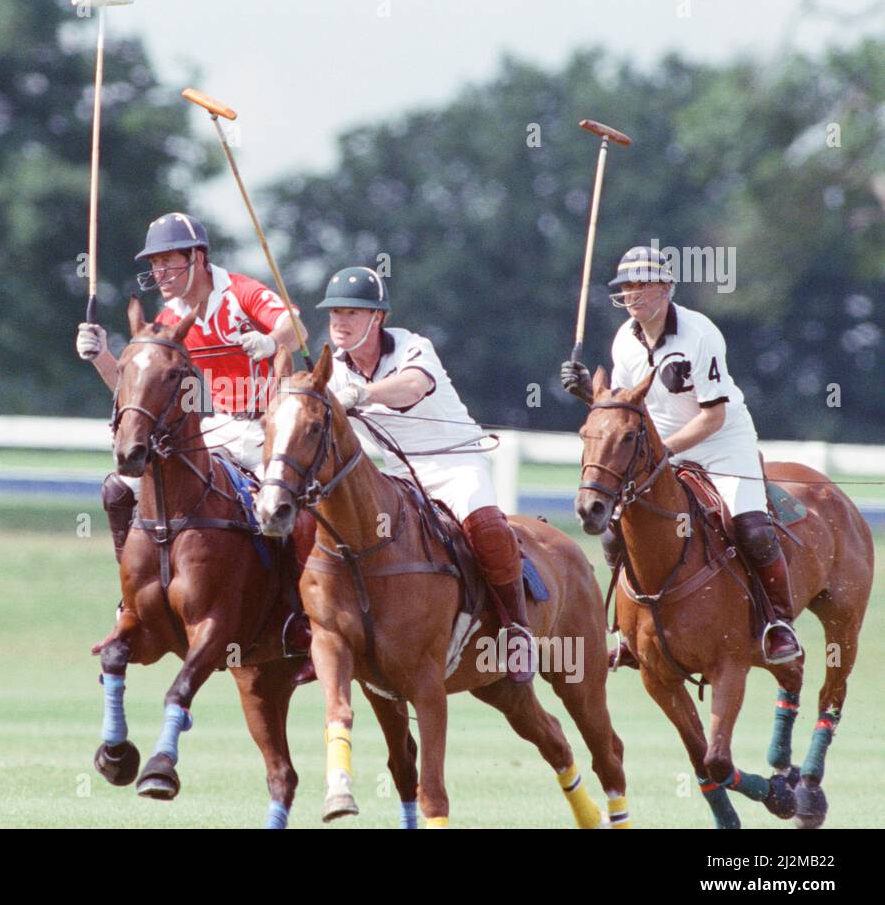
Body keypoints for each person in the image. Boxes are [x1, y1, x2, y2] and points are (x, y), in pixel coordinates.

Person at [561, 245, 801, 664]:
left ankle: (777, 624)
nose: (631, 296)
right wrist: (589, 393)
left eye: (641, 286)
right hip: (658, 444)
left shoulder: (700, 334)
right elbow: (625, 406)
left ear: (666, 288)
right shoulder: (624, 340)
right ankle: (626, 628)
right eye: (625, 288)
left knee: (749, 527)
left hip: (722, 440)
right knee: (615, 530)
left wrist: (663, 451)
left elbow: (714, 416)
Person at [320, 266, 537, 683]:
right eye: (334, 314)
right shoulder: (335, 367)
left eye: (351, 312)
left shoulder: (412, 347)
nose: (340, 323)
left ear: (377, 318)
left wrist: (361, 393)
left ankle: (516, 629)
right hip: (399, 473)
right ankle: (327, 632)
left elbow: (412, 387)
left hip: (456, 463)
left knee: (486, 525)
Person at [75, 212, 305, 561]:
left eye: (168, 261)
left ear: (196, 258)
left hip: (270, 431)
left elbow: (297, 328)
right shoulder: (170, 318)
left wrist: (271, 342)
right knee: (122, 490)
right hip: (219, 427)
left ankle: (299, 604)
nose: (159, 273)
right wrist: (100, 354)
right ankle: (135, 589)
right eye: (155, 264)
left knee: (285, 512)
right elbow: (133, 391)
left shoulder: (242, 293)